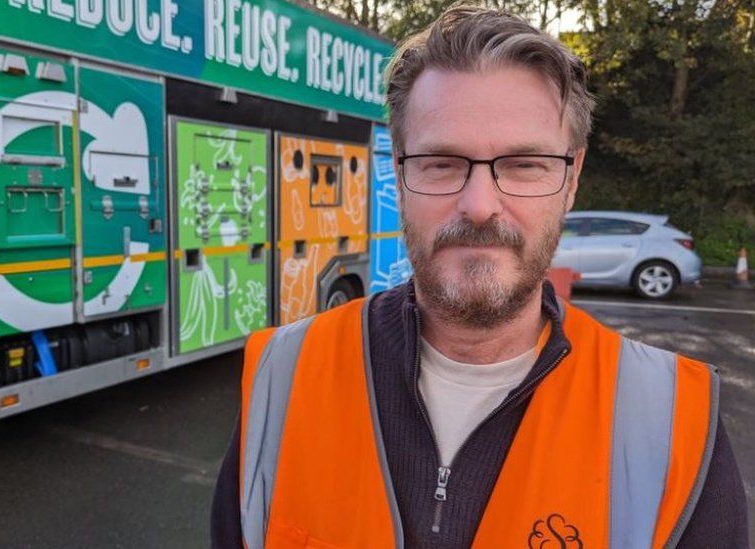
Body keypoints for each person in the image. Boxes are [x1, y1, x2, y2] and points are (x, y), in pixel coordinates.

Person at [211, 5, 748, 548]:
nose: (478, 205)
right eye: (441, 162)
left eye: (524, 164)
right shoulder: (282, 376)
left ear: (572, 178)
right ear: (398, 173)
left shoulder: (675, 419)